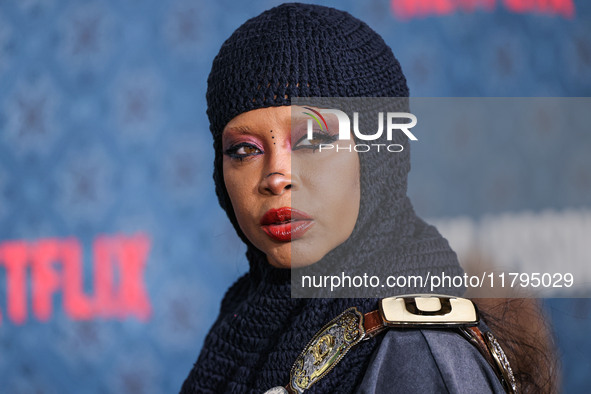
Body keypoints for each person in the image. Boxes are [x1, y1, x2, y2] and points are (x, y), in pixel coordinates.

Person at [180, 3, 555, 393]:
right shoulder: (242, 321)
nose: (276, 177)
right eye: (244, 150)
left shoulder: (419, 352)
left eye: (312, 140)